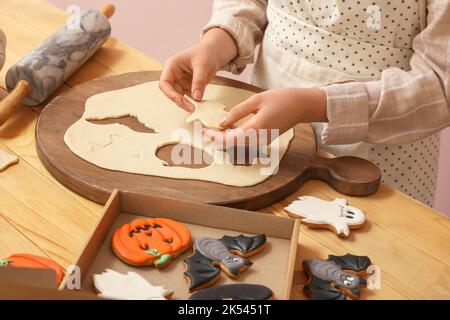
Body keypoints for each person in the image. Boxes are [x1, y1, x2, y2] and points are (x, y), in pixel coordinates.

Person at [159, 0, 450, 206]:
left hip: (377, 157)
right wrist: (220, 39)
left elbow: (440, 84)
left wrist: (309, 105)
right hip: (258, 134)